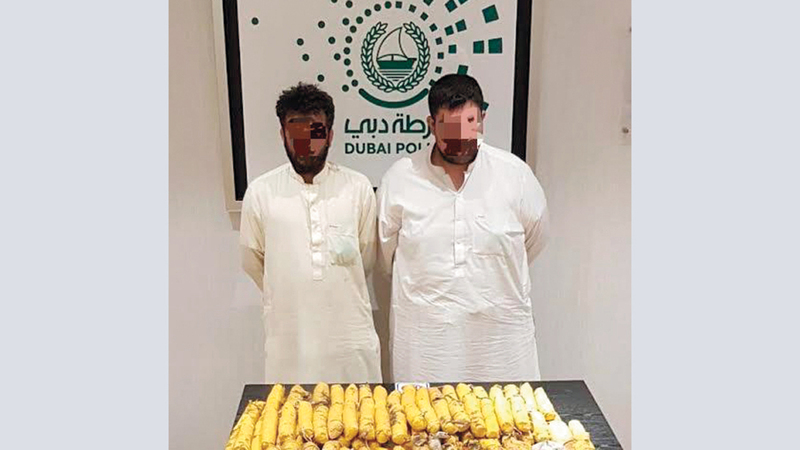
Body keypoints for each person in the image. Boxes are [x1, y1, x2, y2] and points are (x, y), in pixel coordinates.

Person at [376, 74, 549, 381]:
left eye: (468, 127)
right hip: (425, 350)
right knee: (420, 413)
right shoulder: (400, 179)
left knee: (509, 413)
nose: (460, 142)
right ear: (431, 125)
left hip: (503, 347)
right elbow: (385, 256)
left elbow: (534, 239)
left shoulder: (516, 176)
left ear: (482, 119)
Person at [240, 82, 382, 383]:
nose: (305, 140)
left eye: (315, 130)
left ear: (329, 135)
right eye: (296, 129)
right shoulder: (262, 192)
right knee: (291, 412)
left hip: (351, 343)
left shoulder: (357, 188)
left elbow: (366, 257)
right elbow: (254, 262)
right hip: (290, 346)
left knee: (361, 412)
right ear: (283, 134)